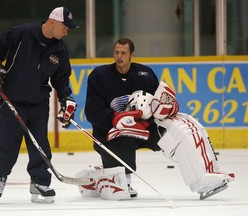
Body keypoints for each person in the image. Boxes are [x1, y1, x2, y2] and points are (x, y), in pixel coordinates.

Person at [84, 38, 234, 200]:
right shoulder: (99, 76)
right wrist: (116, 120)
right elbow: (92, 111)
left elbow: (159, 101)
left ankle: (201, 181)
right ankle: (122, 180)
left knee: (177, 132)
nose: (119, 56)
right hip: (110, 133)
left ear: (132, 55)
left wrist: (168, 106)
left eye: (123, 53)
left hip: (143, 129)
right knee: (121, 145)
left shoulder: (145, 74)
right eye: (117, 52)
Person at [0, 7, 78, 203]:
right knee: (7, 141)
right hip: (13, 98)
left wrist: (66, 98)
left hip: (39, 102)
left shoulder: (60, 50)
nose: (67, 31)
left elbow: (61, 80)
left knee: (40, 144)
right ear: (52, 22)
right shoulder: (22, 33)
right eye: (65, 27)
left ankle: (39, 181)